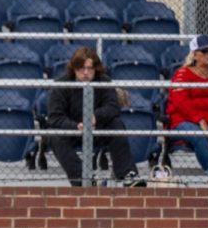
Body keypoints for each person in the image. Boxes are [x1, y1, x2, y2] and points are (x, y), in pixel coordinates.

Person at [46, 47, 146, 187]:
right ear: (74, 68)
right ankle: (83, 178)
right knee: (54, 136)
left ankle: (127, 175)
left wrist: (95, 117)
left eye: (90, 68)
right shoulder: (62, 84)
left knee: (117, 124)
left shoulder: (103, 81)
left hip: (97, 129)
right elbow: (55, 117)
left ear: (96, 69)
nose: (86, 72)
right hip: (73, 130)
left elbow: (113, 107)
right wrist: (75, 126)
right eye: (81, 68)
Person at [166, 34, 208, 186]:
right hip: (184, 120)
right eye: (205, 51)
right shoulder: (182, 74)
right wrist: (199, 120)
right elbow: (180, 102)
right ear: (195, 54)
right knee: (198, 136)